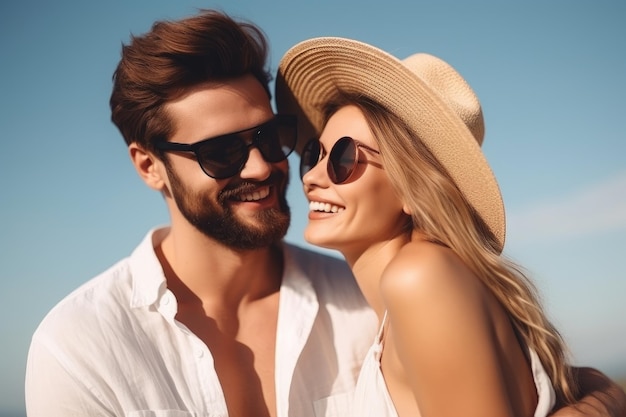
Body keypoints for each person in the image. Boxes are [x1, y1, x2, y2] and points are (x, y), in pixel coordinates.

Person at [24, 9, 624, 417]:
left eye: (273, 136)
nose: (269, 167)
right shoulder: (81, 348)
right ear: (149, 166)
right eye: (223, 152)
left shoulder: (389, 293)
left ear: (418, 186)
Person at [275, 36, 626, 417]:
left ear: (413, 189)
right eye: (316, 154)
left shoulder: (420, 278)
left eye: (344, 157)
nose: (312, 177)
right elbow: (585, 381)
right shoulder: (425, 286)